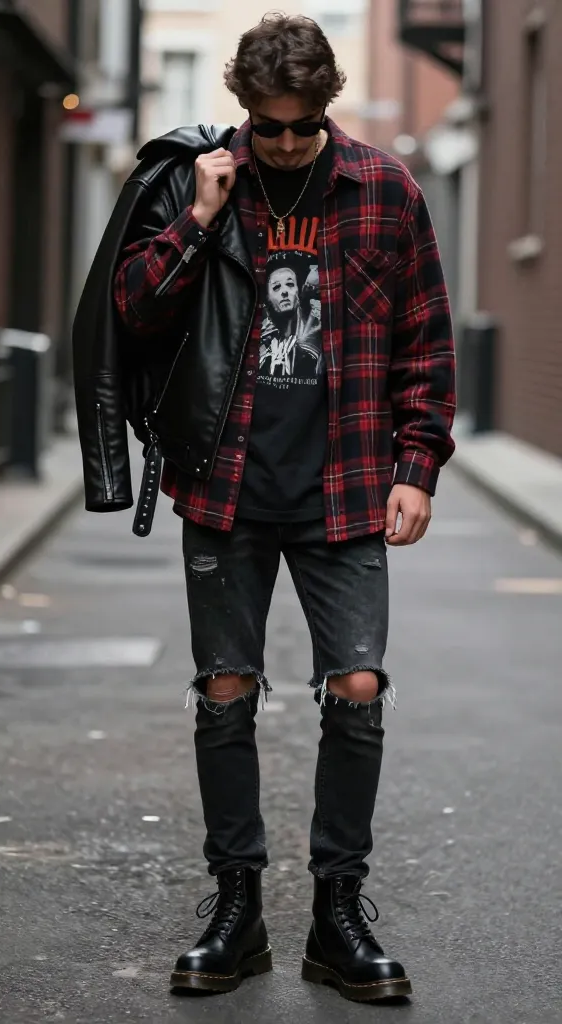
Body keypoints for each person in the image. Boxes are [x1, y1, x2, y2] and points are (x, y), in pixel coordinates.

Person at [108, 12, 456, 1003]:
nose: (288, 144)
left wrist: (416, 464)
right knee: (225, 691)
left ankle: (338, 911)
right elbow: (136, 308)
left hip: (342, 485)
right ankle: (238, 907)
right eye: (270, 126)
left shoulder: (383, 189)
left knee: (356, 685)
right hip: (225, 484)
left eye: (304, 127)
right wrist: (201, 216)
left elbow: (427, 341)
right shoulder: (202, 181)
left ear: (328, 109)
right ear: (245, 112)